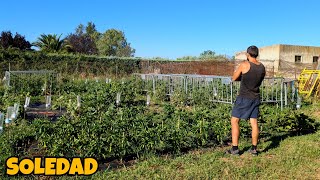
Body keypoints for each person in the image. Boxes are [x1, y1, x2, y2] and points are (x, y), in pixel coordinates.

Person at [226, 45, 266, 156]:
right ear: (257, 54)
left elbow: (234, 78)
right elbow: (257, 79)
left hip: (244, 98)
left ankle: (235, 149)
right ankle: (254, 149)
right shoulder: (262, 67)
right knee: (254, 122)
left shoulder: (244, 64)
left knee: (234, 121)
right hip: (256, 97)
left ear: (247, 54)